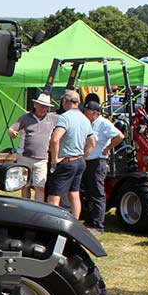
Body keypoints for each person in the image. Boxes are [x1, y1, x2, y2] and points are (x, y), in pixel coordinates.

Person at [47, 90, 96, 219]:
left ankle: (53, 224)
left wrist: (54, 160)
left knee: (54, 196)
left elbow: (55, 139)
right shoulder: (85, 119)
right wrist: (83, 157)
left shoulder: (64, 117)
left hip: (66, 161)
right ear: (78, 102)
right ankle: (75, 223)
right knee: (74, 194)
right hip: (79, 161)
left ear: (65, 101)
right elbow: (92, 143)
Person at [81, 101, 126, 233]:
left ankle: (98, 225)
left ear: (95, 112)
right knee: (88, 192)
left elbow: (120, 136)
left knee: (97, 193)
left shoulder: (104, 123)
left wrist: (108, 148)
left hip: (98, 161)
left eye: (87, 111)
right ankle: (89, 220)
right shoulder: (89, 123)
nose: (85, 113)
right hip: (88, 161)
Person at [8, 93, 57, 201]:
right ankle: (26, 207)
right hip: (24, 157)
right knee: (25, 185)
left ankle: (37, 209)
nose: (43, 108)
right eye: (40, 105)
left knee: (40, 186)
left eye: (45, 106)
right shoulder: (25, 118)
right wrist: (13, 133)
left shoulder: (52, 118)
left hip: (42, 159)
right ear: (35, 105)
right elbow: (11, 129)